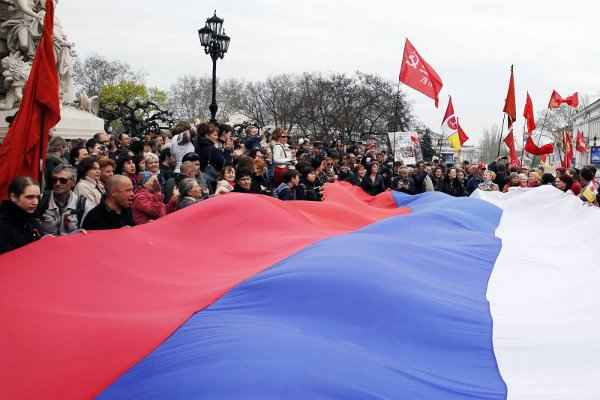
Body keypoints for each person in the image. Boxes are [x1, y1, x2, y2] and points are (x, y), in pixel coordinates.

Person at [38, 165, 89, 236]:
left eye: (63, 180)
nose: (57, 183)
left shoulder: (82, 204)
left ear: (73, 183)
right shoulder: (41, 200)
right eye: (54, 180)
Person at [0, 177, 42, 254]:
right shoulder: (3, 225)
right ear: (14, 197)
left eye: (38, 197)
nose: (35, 202)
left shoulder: (33, 220)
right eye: (30, 197)